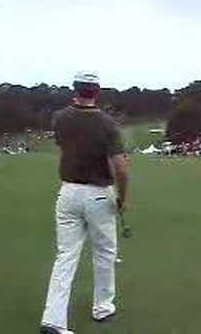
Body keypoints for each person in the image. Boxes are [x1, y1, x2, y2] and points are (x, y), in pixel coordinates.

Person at [40, 71, 130, 334]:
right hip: (98, 194)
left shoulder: (60, 118)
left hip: (67, 192)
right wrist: (123, 198)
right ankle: (103, 308)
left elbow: (67, 145)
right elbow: (121, 168)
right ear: (97, 92)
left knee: (65, 256)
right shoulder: (107, 124)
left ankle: (53, 320)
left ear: (75, 89)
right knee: (104, 253)